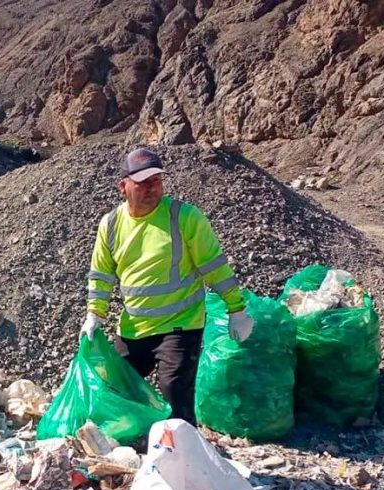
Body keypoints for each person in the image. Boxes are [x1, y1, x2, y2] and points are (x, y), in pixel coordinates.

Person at [80, 147, 254, 425]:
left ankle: (186, 458)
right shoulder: (111, 224)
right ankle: (139, 448)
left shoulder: (184, 218)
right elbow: (101, 275)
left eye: (157, 181)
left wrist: (237, 310)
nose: (152, 188)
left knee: (174, 391)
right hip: (134, 327)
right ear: (123, 186)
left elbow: (215, 267)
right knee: (117, 386)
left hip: (180, 326)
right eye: (143, 182)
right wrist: (94, 315)